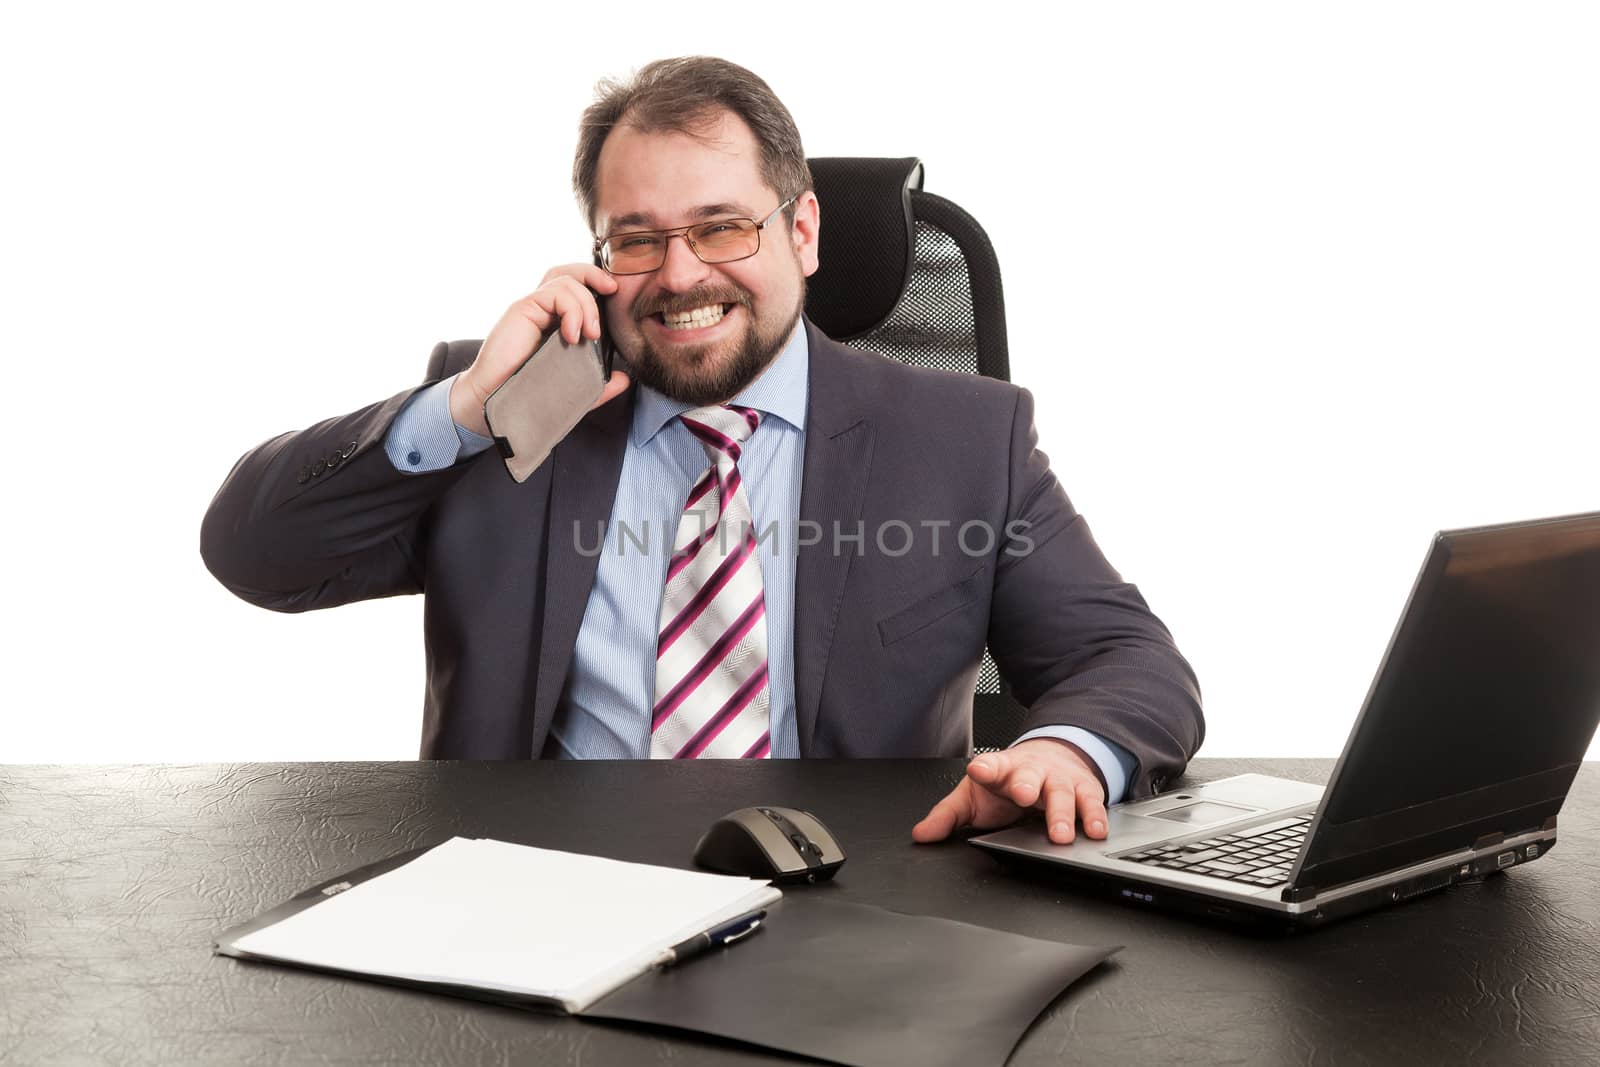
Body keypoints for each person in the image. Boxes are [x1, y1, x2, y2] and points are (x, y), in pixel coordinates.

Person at [201, 56, 1203, 846]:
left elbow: (1125, 657)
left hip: (853, 914)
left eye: (721, 228)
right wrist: (462, 407)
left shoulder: (960, 437)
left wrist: (1070, 752)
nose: (679, 276)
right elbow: (257, 555)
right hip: (529, 904)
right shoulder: (522, 408)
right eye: (636, 239)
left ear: (802, 230)